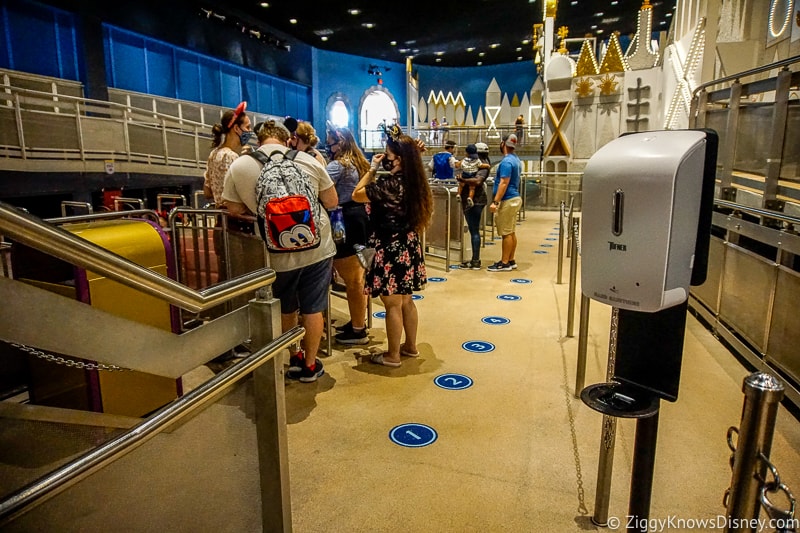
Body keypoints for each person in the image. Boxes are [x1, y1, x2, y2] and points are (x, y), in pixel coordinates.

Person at [222, 119, 339, 383]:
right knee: (313, 308)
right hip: (317, 245)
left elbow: (234, 209)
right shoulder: (308, 160)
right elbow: (331, 202)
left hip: (276, 251)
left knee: (286, 306)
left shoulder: (241, 165)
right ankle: (310, 366)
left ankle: (293, 354)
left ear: (258, 140)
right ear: (287, 140)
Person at [351, 127, 433, 367]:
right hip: (408, 244)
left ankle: (393, 355)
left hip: (389, 247)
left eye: (388, 155)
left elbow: (357, 194)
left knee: (392, 304)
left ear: (399, 159)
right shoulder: (415, 180)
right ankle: (410, 346)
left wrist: (372, 168)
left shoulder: (390, 184)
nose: (385, 158)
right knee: (406, 300)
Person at [325, 126, 372, 345]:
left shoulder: (338, 166)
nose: (328, 146)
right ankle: (357, 322)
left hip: (344, 221)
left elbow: (320, 188)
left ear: (340, 142)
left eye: (330, 142)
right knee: (357, 277)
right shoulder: (360, 163)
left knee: (353, 280)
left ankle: (358, 329)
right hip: (360, 219)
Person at [487, 133, 523, 272]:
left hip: (508, 199)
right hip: (514, 198)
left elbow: (504, 182)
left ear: (503, 144)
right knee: (511, 231)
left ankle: (505, 262)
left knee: (506, 233)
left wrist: (495, 202)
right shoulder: (516, 160)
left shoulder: (507, 162)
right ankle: (511, 259)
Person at [457, 143, 490, 270]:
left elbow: (477, 181)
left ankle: (475, 260)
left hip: (475, 200)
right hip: (476, 200)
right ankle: (473, 259)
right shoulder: (481, 163)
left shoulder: (479, 164)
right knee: (473, 230)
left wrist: (463, 180)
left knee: (474, 230)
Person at [456, 143, 489, 209]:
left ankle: (459, 194)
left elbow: (477, 181)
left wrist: (462, 180)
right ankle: (469, 197)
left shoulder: (464, 160)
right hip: (475, 197)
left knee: (461, 185)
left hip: (477, 200)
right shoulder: (480, 162)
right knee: (472, 188)